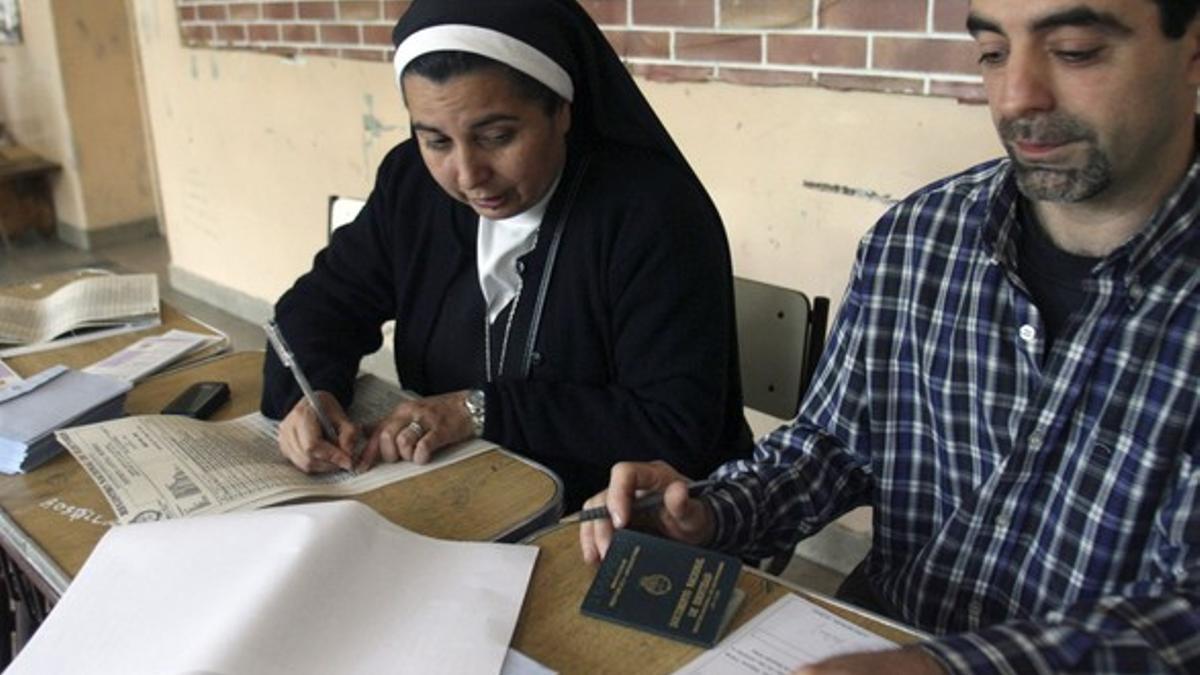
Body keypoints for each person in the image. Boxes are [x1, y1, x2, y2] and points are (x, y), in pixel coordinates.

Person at [581, 1, 1200, 672]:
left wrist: (951, 668)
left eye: (1076, 50)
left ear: (1192, 49)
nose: (1017, 96)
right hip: (876, 631)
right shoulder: (918, 238)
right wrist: (706, 513)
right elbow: (834, 443)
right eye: (992, 53)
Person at [260, 0, 752, 510]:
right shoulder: (413, 185)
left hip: (621, 510)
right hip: (462, 492)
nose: (469, 175)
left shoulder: (651, 212)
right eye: (436, 141)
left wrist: (478, 411)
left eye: (497, 137)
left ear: (561, 109)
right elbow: (325, 303)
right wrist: (312, 392)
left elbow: (674, 423)